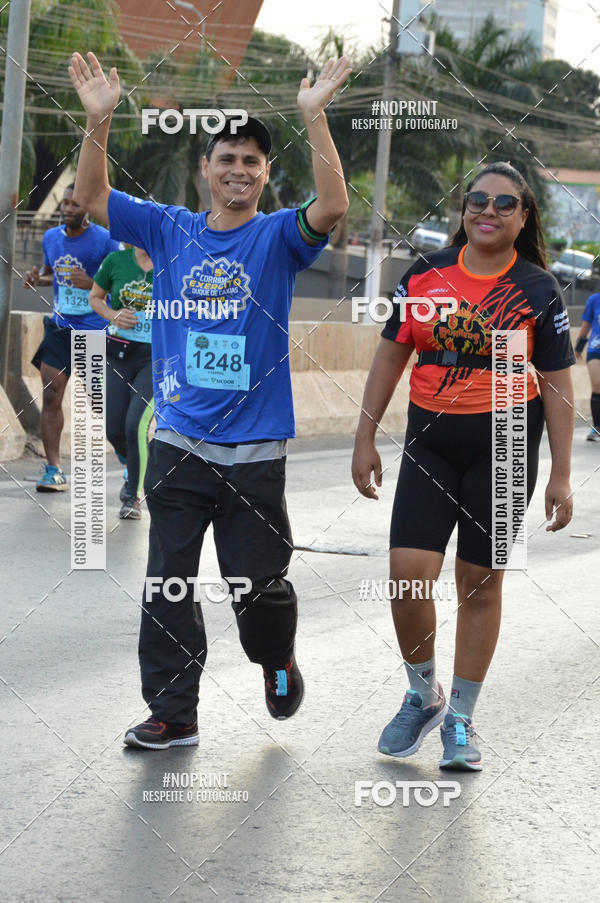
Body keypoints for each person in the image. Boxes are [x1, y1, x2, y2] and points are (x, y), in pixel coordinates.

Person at [69, 51, 350, 748]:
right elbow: (93, 198)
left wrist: (314, 116)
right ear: (206, 169)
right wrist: (98, 120)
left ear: (265, 174)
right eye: (227, 158)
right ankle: (174, 711)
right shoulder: (168, 228)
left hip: (254, 452)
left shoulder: (278, 237)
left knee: (258, 588)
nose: (239, 169)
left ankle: (276, 658)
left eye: (252, 160)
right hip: (178, 442)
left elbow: (333, 206)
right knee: (168, 582)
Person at [352, 162, 575, 771]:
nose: (488, 211)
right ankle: (422, 694)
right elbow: (390, 358)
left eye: (504, 204)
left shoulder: (537, 288)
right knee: (408, 578)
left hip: (507, 443)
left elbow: (558, 384)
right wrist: (365, 437)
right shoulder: (424, 275)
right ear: (463, 208)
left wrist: (561, 472)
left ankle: (461, 718)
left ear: (523, 217)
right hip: (430, 442)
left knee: (480, 583)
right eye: (478, 199)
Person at [24, 184, 120, 490]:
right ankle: (54, 469)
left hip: (94, 330)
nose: (67, 209)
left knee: (100, 402)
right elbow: (51, 272)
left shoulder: (106, 240)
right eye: (65, 203)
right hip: (60, 328)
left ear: (87, 208)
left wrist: (92, 284)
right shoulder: (51, 237)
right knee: (51, 394)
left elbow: (122, 286)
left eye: (74, 204)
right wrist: (37, 278)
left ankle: (129, 458)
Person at [90, 245, 155, 518]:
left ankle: (133, 496)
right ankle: (142, 463)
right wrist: (112, 315)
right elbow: (95, 297)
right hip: (118, 353)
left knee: (136, 424)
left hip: (156, 357)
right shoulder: (115, 261)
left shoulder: (173, 260)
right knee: (114, 429)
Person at [574, 285, 600, 441]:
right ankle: (596, 427)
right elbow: (586, 326)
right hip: (595, 348)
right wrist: (578, 349)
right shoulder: (594, 300)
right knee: (597, 386)